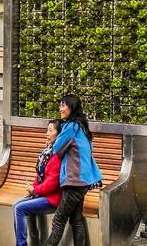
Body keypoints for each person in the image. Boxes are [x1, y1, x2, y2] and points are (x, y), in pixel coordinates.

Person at [47, 94, 102, 246]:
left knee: (59, 219)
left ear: (71, 107)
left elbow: (57, 149)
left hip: (75, 181)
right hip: (83, 181)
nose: (60, 109)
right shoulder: (82, 126)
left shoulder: (71, 126)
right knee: (76, 218)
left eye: (63, 105)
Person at [13, 120, 63, 246]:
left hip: (53, 199)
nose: (47, 133)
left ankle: (21, 244)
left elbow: (53, 183)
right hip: (43, 194)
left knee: (20, 209)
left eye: (51, 130)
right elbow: (40, 174)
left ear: (59, 134)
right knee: (16, 205)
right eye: (47, 130)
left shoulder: (58, 155)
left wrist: (35, 191)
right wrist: (33, 189)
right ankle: (30, 241)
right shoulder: (47, 151)